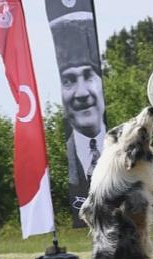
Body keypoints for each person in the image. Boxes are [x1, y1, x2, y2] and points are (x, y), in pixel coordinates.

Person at [48, 13, 106, 225]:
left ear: (100, 81)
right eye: (69, 80)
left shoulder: (122, 146)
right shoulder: (68, 157)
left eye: (88, 76)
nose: (82, 93)